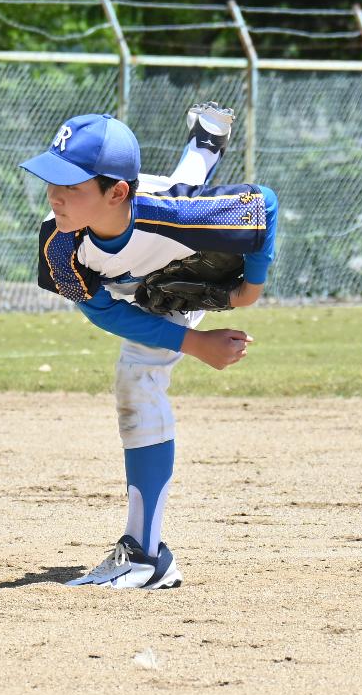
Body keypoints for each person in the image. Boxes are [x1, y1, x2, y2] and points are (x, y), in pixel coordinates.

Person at [21, 103, 277, 590]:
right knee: (184, 185)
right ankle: (205, 141)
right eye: (50, 181)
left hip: (181, 259)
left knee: (137, 380)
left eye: (70, 186)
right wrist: (195, 344)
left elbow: (264, 205)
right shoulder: (59, 244)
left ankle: (145, 556)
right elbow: (105, 311)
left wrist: (250, 292)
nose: (54, 197)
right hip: (135, 281)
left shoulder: (175, 217)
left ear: (115, 190)